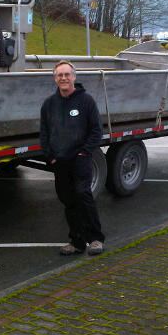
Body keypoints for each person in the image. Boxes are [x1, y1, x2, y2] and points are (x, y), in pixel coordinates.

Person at [40, 60, 105, 256]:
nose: (63, 78)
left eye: (67, 74)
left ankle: (95, 239)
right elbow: (44, 132)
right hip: (59, 161)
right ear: (55, 78)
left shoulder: (86, 101)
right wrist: (50, 156)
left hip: (80, 159)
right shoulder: (49, 104)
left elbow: (96, 130)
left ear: (74, 77)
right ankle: (76, 241)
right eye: (59, 75)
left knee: (83, 196)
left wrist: (85, 152)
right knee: (68, 200)